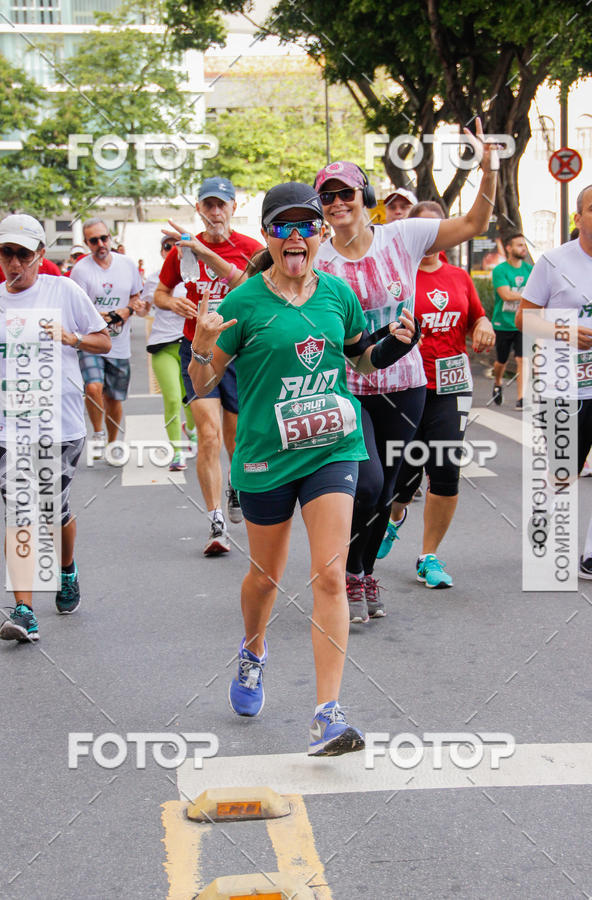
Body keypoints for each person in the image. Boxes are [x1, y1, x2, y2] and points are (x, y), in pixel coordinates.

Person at [189, 182, 418, 755]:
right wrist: (200, 347)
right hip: (266, 455)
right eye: (282, 226)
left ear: (320, 233)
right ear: (267, 235)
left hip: (331, 447)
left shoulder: (338, 294)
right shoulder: (243, 303)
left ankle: (327, 715)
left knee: (330, 575)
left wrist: (393, 346)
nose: (295, 236)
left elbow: (360, 358)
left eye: (306, 225)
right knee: (265, 578)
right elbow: (204, 383)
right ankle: (253, 650)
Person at [313, 119, 498, 622]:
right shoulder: (319, 260)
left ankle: (363, 571)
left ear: (364, 197)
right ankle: (347, 570)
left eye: (346, 193)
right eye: (327, 197)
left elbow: (474, 224)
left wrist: (488, 169)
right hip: (349, 389)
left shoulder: (403, 236)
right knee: (367, 483)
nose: (337, 203)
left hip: (406, 386)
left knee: (389, 490)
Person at [0, 214, 110, 643]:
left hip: (59, 423)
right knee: (20, 512)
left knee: (52, 511)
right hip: (6, 425)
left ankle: (66, 570)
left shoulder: (63, 291)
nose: (15, 263)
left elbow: (103, 340)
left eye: (23, 254)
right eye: (7, 253)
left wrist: (71, 338)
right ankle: (24, 610)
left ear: (41, 255)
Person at [377, 202, 495, 586]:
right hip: (407, 386)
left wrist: (484, 324)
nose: (429, 238)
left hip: (452, 386)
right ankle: (395, 517)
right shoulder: (398, 275)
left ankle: (428, 556)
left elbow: (476, 315)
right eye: (422, 229)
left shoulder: (459, 277)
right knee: (404, 474)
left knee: (445, 468)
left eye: (436, 229)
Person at [155, 177, 262, 556]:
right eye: (208, 205)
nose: (215, 212)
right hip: (197, 348)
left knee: (236, 437)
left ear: (234, 207)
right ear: (199, 209)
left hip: (238, 351)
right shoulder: (182, 250)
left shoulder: (250, 249)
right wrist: (173, 303)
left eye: (221, 204)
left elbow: (260, 290)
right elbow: (160, 292)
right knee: (209, 434)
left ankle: (235, 485)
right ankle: (216, 521)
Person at [516, 183, 592, 580]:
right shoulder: (554, 261)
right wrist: (566, 332)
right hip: (564, 384)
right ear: (578, 217)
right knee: (565, 471)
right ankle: (544, 518)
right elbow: (523, 318)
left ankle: (590, 555)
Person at [70, 218, 143, 459]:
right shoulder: (81, 270)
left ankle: (112, 443)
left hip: (119, 343)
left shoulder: (127, 265)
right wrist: (96, 316)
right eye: (94, 240)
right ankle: (98, 432)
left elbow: (137, 297)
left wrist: (126, 311)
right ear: (86, 243)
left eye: (104, 238)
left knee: (113, 398)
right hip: (91, 341)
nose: (100, 244)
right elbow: (75, 306)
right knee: (93, 387)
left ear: (110, 237)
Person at [142, 235, 197, 471]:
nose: (174, 250)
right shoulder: (154, 280)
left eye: (179, 245)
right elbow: (144, 309)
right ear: (162, 252)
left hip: (190, 345)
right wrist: (138, 308)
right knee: (173, 398)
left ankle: (191, 430)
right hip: (162, 345)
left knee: (191, 400)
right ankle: (177, 452)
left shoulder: (195, 276)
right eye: (168, 246)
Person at [491, 233, 532, 409]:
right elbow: (506, 295)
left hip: (523, 322)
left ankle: (521, 397)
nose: (523, 248)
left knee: (523, 359)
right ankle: (498, 382)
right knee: (501, 361)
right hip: (503, 323)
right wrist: (528, 296)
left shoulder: (530, 270)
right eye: (519, 245)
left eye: (524, 245)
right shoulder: (500, 270)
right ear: (509, 248)